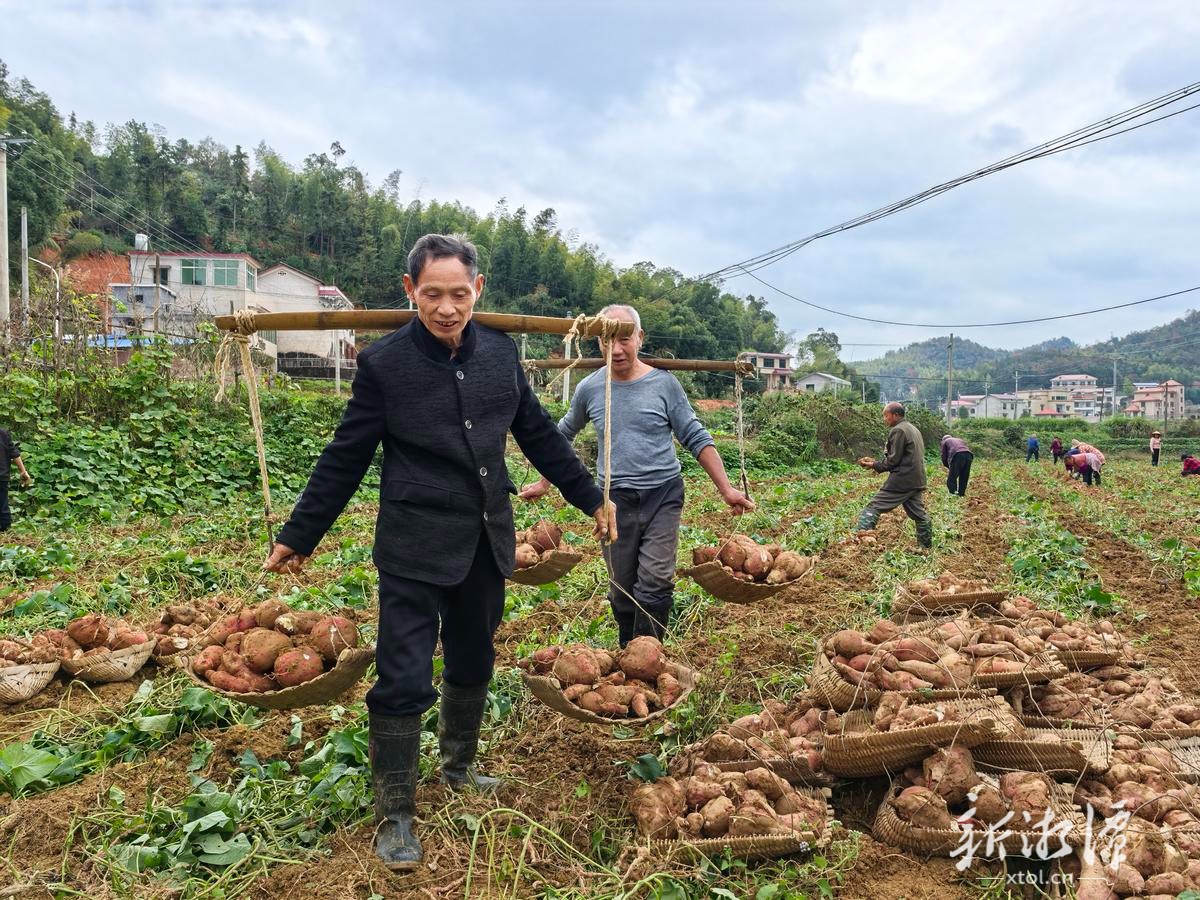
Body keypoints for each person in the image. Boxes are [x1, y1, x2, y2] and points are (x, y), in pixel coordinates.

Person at [264, 234, 617, 871]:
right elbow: (345, 457)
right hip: (412, 546)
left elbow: (537, 434)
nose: (447, 307)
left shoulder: (502, 357)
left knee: (475, 655)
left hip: (485, 539)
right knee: (401, 675)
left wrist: (590, 497)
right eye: (433, 294)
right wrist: (299, 534)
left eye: (459, 293)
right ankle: (395, 811)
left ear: (477, 290)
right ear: (410, 293)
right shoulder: (385, 365)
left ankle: (457, 766)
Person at [519, 304, 754, 646]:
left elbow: (695, 436)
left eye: (624, 338)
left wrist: (727, 489)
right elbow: (561, 434)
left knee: (655, 581)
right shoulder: (590, 388)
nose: (616, 349)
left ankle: (650, 656)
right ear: (598, 342)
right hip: (612, 502)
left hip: (663, 495)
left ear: (640, 337)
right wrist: (544, 481)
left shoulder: (664, 385)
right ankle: (629, 653)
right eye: (607, 339)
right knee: (621, 589)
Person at [856, 402, 932, 549]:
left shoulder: (898, 430)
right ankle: (925, 547)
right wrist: (877, 463)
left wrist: (873, 464)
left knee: (874, 506)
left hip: (902, 479)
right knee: (919, 514)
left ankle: (861, 543)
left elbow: (893, 461)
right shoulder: (913, 429)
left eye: (886, 415)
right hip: (917, 478)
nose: (884, 419)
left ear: (896, 415)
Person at [0, 427, 33, 532]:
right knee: (2, 504)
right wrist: (23, 471)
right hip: (2, 476)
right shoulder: (3, 433)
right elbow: (14, 453)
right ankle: (5, 530)